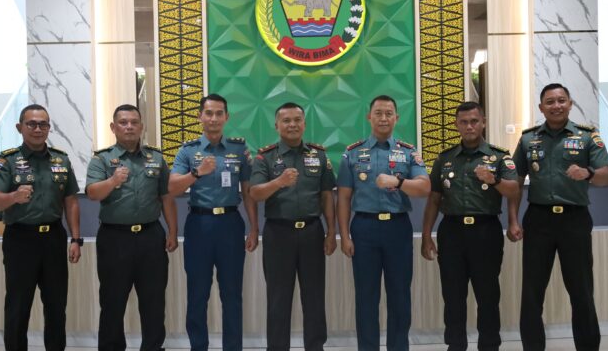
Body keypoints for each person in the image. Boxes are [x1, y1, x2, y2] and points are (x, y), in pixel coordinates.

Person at [513, 83, 608, 351]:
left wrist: (588, 173)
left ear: (570, 104)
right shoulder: (528, 139)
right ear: (541, 107)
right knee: (532, 292)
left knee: (581, 291)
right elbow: (516, 182)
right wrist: (512, 219)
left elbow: (606, 177)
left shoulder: (587, 136)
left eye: (561, 100)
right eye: (550, 101)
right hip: (538, 220)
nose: (556, 106)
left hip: (574, 221)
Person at [421, 101, 521, 351]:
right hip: (452, 232)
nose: (469, 126)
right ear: (456, 125)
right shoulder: (445, 158)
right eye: (464, 122)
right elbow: (434, 199)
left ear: (483, 122)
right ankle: (456, 345)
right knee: (453, 296)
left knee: (488, 295)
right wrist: (426, 235)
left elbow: (514, 190)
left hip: (485, 232)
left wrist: (493, 179)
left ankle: (489, 345)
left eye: (474, 121)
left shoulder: (499, 156)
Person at [337, 95, 431, 351]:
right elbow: (343, 197)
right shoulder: (352, 153)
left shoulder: (408, 152)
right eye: (378, 113)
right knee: (366, 297)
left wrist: (398, 182)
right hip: (364, 228)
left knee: (400, 295)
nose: (383, 118)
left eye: (389, 113)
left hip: (397, 229)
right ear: (369, 117)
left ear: (396, 118)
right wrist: (344, 235)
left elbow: (424, 188)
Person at [168, 94, 259, 351]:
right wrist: (197, 172)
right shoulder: (188, 150)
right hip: (199, 225)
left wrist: (254, 228)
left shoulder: (239, 149)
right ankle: (199, 346)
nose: (214, 118)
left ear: (227, 117)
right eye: (209, 113)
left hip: (230, 224)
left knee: (232, 294)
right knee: (198, 293)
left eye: (219, 113)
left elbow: (248, 191)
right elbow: (172, 188)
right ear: (200, 116)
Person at [0, 103, 81, 351]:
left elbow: (71, 201)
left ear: (49, 128)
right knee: (18, 306)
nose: (38, 129)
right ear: (20, 127)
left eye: (43, 124)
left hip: (53, 238)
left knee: (56, 306)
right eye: (31, 124)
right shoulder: (7, 160)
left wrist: (75, 239)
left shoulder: (61, 159)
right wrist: (13, 197)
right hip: (21, 240)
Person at [85, 104, 178, 351]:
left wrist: (172, 231)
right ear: (113, 127)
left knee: (154, 301)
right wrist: (113, 180)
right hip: (114, 239)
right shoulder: (102, 159)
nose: (129, 127)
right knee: (113, 301)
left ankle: (152, 347)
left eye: (134, 122)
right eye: (123, 122)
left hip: (151, 237)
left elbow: (166, 197)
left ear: (141, 127)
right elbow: (92, 193)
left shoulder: (156, 158)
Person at [249, 102, 337, 351]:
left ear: (304, 124)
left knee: (314, 298)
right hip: (279, 233)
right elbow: (255, 193)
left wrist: (332, 232)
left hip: (312, 232)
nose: (292, 125)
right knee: (278, 299)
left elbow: (327, 195)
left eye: (297, 120)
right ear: (277, 125)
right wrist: (278, 182)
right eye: (286, 120)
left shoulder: (319, 155)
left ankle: (315, 347)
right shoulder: (265, 157)